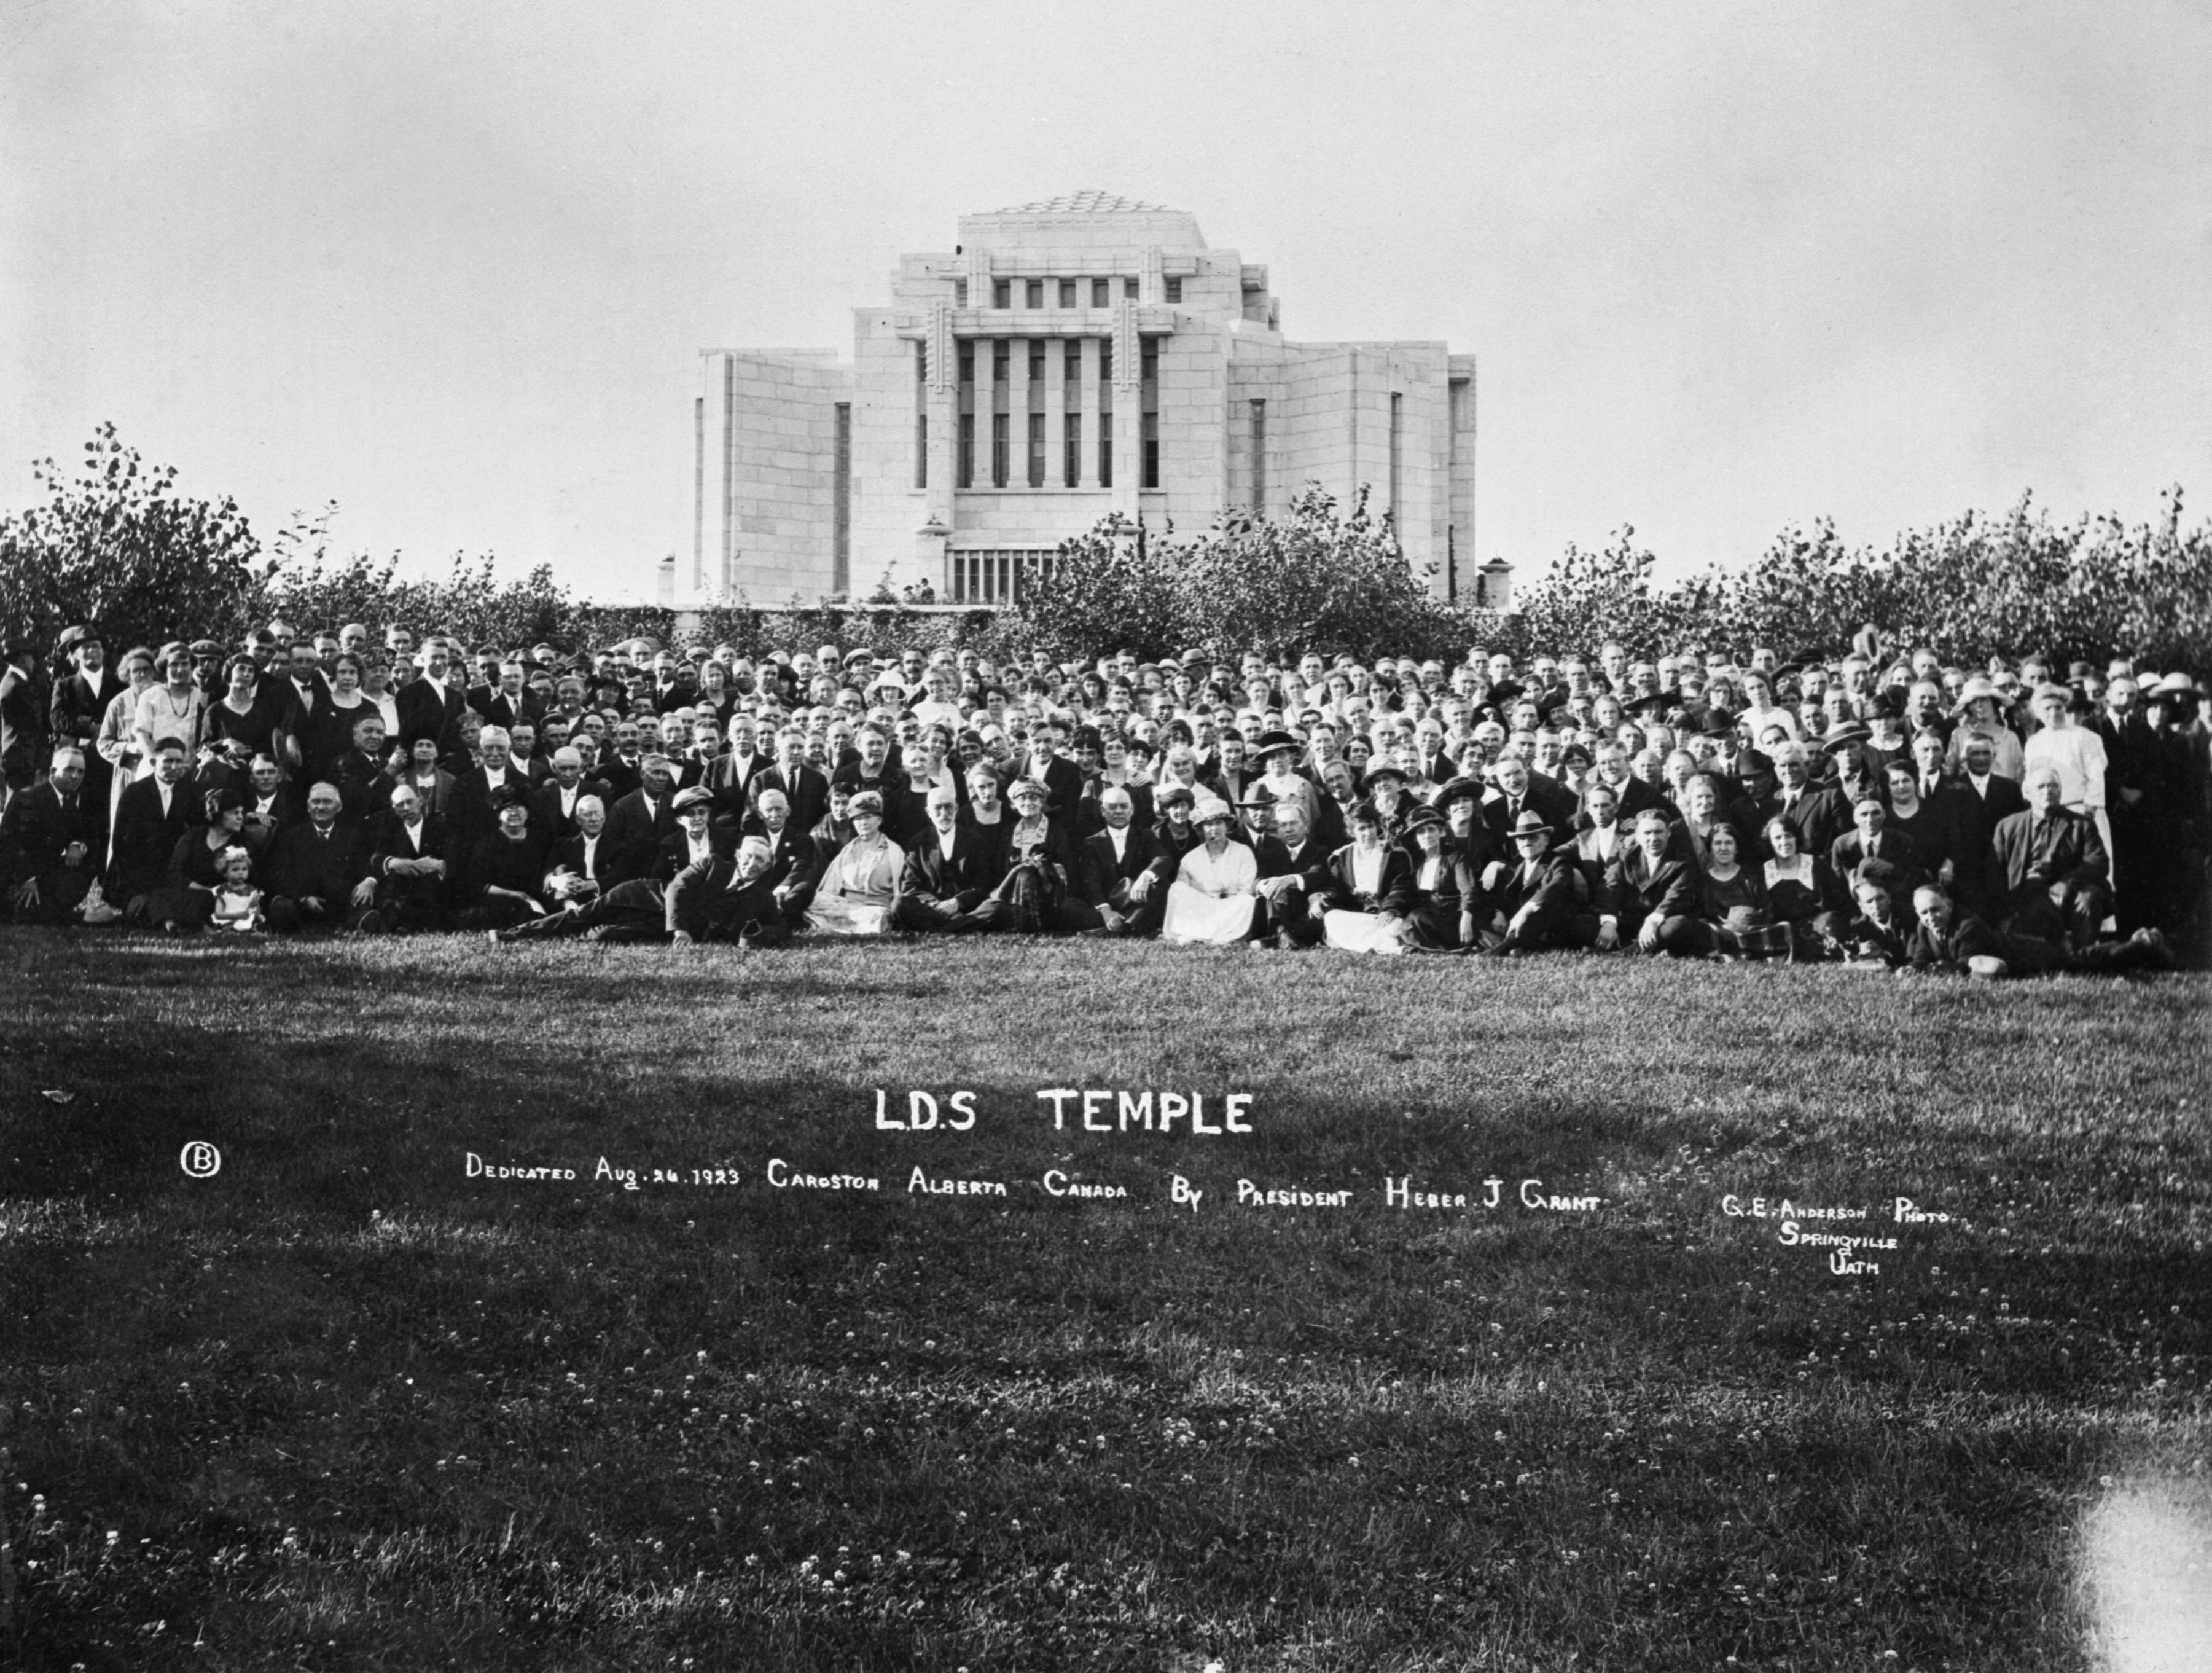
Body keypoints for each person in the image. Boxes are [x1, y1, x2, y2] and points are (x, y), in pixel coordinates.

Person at [1991, 762, 2110, 952]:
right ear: (2027, 794)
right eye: (2041, 786)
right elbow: (1994, 872)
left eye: (2053, 786)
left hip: (2069, 890)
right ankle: (2058, 953)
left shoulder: (2081, 824)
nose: (2048, 791)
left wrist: (2068, 883)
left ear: (2061, 791)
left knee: (2090, 898)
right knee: (2035, 910)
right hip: (2027, 892)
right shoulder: (2008, 826)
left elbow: (2098, 863)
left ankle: (2084, 955)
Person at [2, 746, 99, 923]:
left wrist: (75, 845)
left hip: (44, 873)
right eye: (69, 769)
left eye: (80, 771)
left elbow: (77, 831)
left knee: (89, 862)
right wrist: (28, 878)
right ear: (53, 771)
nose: (76, 776)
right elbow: (11, 843)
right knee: (23, 914)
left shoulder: (68, 801)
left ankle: (54, 909)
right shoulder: (28, 797)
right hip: (16, 876)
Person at [1598, 810, 1714, 957]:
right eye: (1647, 833)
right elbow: (1611, 887)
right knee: (1584, 923)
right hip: (1629, 923)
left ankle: (1628, 951)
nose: (1653, 838)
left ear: (1668, 833)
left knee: (1680, 924)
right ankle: (1634, 945)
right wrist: (1609, 923)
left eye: (1659, 832)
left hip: (1661, 924)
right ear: (1638, 836)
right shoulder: (1625, 857)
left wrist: (1653, 920)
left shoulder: (1683, 862)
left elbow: (1675, 896)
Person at [897, 785, 1009, 933]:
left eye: (948, 807)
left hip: (967, 908)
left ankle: (942, 929)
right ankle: (960, 927)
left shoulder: (974, 840)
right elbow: (910, 886)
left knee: (997, 908)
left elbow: (984, 882)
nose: (944, 813)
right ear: (928, 812)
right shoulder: (918, 842)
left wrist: (957, 903)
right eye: (937, 808)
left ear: (956, 808)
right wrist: (935, 905)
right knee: (899, 904)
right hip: (933, 910)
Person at [265, 782, 375, 933]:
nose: (321, 807)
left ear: (339, 806)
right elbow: (279, 875)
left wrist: (368, 882)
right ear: (308, 807)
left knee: (365, 909)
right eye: (316, 802)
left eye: (327, 802)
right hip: (304, 904)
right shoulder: (291, 837)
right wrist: (303, 898)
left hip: (341, 906)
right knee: (281, 906)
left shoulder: (353, 836)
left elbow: (366, 866)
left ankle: (356, 924)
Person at [1316, 801, 1414, 954]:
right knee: (1331, 918)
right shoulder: (1342, 857)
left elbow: (1401, 886)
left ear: (1377, 826)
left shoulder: (1394, 854)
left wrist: (1390, 909)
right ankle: (1387, 947)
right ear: (1352, 832)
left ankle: (1361, 944)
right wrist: (1321, 898)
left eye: (1371, 826)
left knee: (1394, 925)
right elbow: (1336, 888)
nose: (1368, 833)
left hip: (1384, 916)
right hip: (1358, 916)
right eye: (1361, 829)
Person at [1160, 795, 1260, 946]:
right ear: (1201, 829)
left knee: (1248, 900)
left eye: (1219, 823)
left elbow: (1246, 889)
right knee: (1176, 888)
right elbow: (1184, 894)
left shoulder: (1243, 852)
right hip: (1204, 910)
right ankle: (1194, 935)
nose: (1215, 829)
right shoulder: (1190, 858)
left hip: (1233, 909)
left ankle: (1225, 936)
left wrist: (1227, 904)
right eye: (1209, 824)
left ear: (1227, 825)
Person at [1075, 784, 1170, 937]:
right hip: (1107, 904)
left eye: (1124, 806)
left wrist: (1145, 877)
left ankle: (1123, 927)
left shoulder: (1145, 835)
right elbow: (1091, 882)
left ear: (1132, 810)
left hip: (1136, 901)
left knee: (1161, 883)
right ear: (1103, 812)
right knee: (1071, 907)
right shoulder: (1091, 843)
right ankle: (1120, 925)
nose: (1119, 811)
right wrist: (1106, 912)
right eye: (1112, 807)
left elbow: (1163, 859)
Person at [805, 789, 904, 935]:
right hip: (847, 905)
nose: (863, 823)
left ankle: (840, 925)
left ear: (879, 820)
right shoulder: (848, 850)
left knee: (881, 916)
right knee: (811, 901)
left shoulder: (894, 851)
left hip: (876, 906)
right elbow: (829, 888)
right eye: (858, 819)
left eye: (869, 817)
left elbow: (899, 892)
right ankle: (851, 925)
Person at [152, 787, 251, 931]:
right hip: (191, 890)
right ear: (218, 814)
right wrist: (202, 889)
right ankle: (173, 924)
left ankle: (179, 923)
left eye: (242, 813)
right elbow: (174, 870)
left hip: (221, 896)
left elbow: (246, 877)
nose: (241, 817)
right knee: (160, 894)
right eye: (235, 813)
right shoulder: (195, 836)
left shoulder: (241, 842)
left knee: (206, 901)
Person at [362, 782, 453, 933]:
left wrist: (440, 865)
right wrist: (393, 862)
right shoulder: (391, 829)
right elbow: (377, 857)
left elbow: (454, 859)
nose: (406, 808)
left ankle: (401, 923)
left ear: (420, 801)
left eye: (409, 802)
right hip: (401, 891)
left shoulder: (440, 827)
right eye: (400, 805)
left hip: (435, 893)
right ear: (395, 809)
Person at [1699, 821, 1786, 958]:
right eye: (1718, 843)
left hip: (1753, 933)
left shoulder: (1751, 876)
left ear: (1736, 848)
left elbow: (1768, 911)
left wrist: (1748, 922)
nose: (1723, 848)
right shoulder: (1703, 881)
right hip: (1720, 936)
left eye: (1729, 843)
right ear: (1710, 848)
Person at [1401, 804, 1480, 951]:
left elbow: (1468, 890)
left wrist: (1466, 918)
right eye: (1421, 832)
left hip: (1454, 918)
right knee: (1414, 919)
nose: (1427, 835)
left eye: (1431, 829)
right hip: (1428, 920)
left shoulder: (1456, 857)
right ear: (1416, 839)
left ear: (1441, 832)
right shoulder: (1417, 864)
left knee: (1416, 918)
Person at [209, 845, 267, 933]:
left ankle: (254, 928)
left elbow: (257, 910)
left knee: (250, 921)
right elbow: (219, 913)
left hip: (246, 918)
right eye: (235, 870)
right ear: (225, 873)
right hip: (229, 918)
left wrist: (255, 908)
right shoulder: (222, 890)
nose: (241, 873)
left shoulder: (251, 889)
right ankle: (233, 929)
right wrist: (238, 915)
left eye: (244, 869)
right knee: (239, 924)